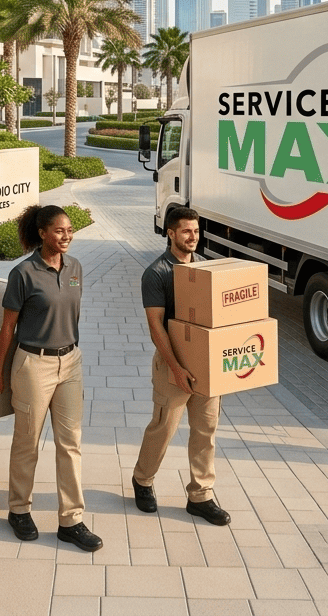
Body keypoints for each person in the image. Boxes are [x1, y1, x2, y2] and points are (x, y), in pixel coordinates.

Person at [0, 204, 102, 552]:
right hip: (33, 365)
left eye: (70, 231)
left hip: (71, 362)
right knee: (27, 441)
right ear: (42, 234)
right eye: (59, 231)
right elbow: (8, 328)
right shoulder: (23, 274)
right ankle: (19, 509)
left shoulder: (75, 268)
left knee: (71, 442)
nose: (66, 236)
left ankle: (72, 521)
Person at [131, 206, 230, 525]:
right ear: (171, 233)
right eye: (186, 231)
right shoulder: (157, 273)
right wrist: (175, 368)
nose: (193, 237)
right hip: (172, 366)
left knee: (206, 431)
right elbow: (155, 326)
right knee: (163, 428)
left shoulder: (204, 268)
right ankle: (143, 481)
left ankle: (200, 495)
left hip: (206, 367)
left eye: (197, 231)